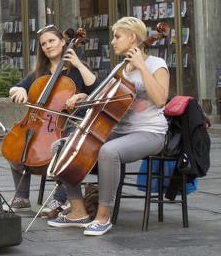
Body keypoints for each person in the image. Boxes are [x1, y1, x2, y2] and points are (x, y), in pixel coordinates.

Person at [47, 17, 169, 236]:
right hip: (119, 131)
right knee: (61, 146)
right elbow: (104, 99)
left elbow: (161, 99)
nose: (112, 41)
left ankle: (103, 217)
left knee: (109, 151)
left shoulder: (156, 65)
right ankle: (78, 211)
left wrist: (141, 67)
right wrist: (84, 96)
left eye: (117, 36)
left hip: (150, 132)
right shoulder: (120, 68)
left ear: (132, 37)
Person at [7, 25, 97, 214]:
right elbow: (15, 88)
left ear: (63, 41)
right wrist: (20, 90)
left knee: (65, 148)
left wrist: (79, 67)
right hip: (44, 123)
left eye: (51, 41)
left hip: (73, 123)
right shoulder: (40, 72)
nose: (47, 46)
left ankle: (59, 198)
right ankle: (22, 197)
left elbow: (96, 90)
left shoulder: (77, 69)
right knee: (17, 143)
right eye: (43, 44)